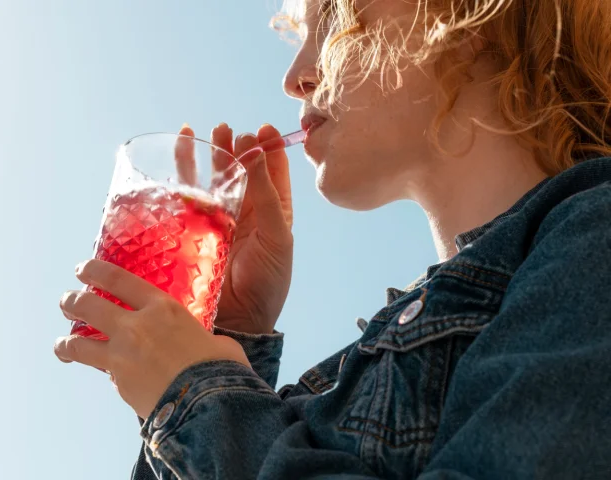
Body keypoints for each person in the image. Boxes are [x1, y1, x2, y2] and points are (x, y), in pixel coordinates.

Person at [55, 0, 611, 478]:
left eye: (332, 13)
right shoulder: (393, 347)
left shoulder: (595, 245)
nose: (295, 76)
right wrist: (230, 341)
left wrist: (199, 391)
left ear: (466, 15)